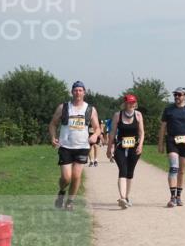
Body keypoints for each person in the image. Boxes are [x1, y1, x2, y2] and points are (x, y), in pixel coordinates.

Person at [48, 81, 101, 211]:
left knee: (76, 176)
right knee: (66, 177)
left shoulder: (90, 109)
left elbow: (97, 127)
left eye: (80, 90)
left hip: (82, 146)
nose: (78, 92)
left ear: (84, 92)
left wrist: (95, 135)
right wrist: (52, 137)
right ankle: (61, 192)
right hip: (66, 146)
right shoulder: (63, 107)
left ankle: (70, 202)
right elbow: (53, 124)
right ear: (72, 92)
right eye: (75, 90)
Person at [158, 87, 185, 208]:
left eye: (179, 95)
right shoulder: (169, 109)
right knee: (174, 167)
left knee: (182, 170)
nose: (177, 97)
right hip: (172, 140)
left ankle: (179, 196)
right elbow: (163, 127)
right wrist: (160, 142)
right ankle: (172, 197)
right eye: (175, 95)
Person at [106, 94, 144, 209]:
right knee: (122, 170)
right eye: (128, 102)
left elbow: (142, 132)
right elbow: (112, 133)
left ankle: (126, 197)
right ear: (125, 103)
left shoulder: (138, 115)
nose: (131, 104)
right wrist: (109, 148)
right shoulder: (118, 115)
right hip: (120, 146)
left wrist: (140, 145)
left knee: (130, 172)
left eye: (133, 102)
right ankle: (122, 197)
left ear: (135, 103)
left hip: (134, 147)